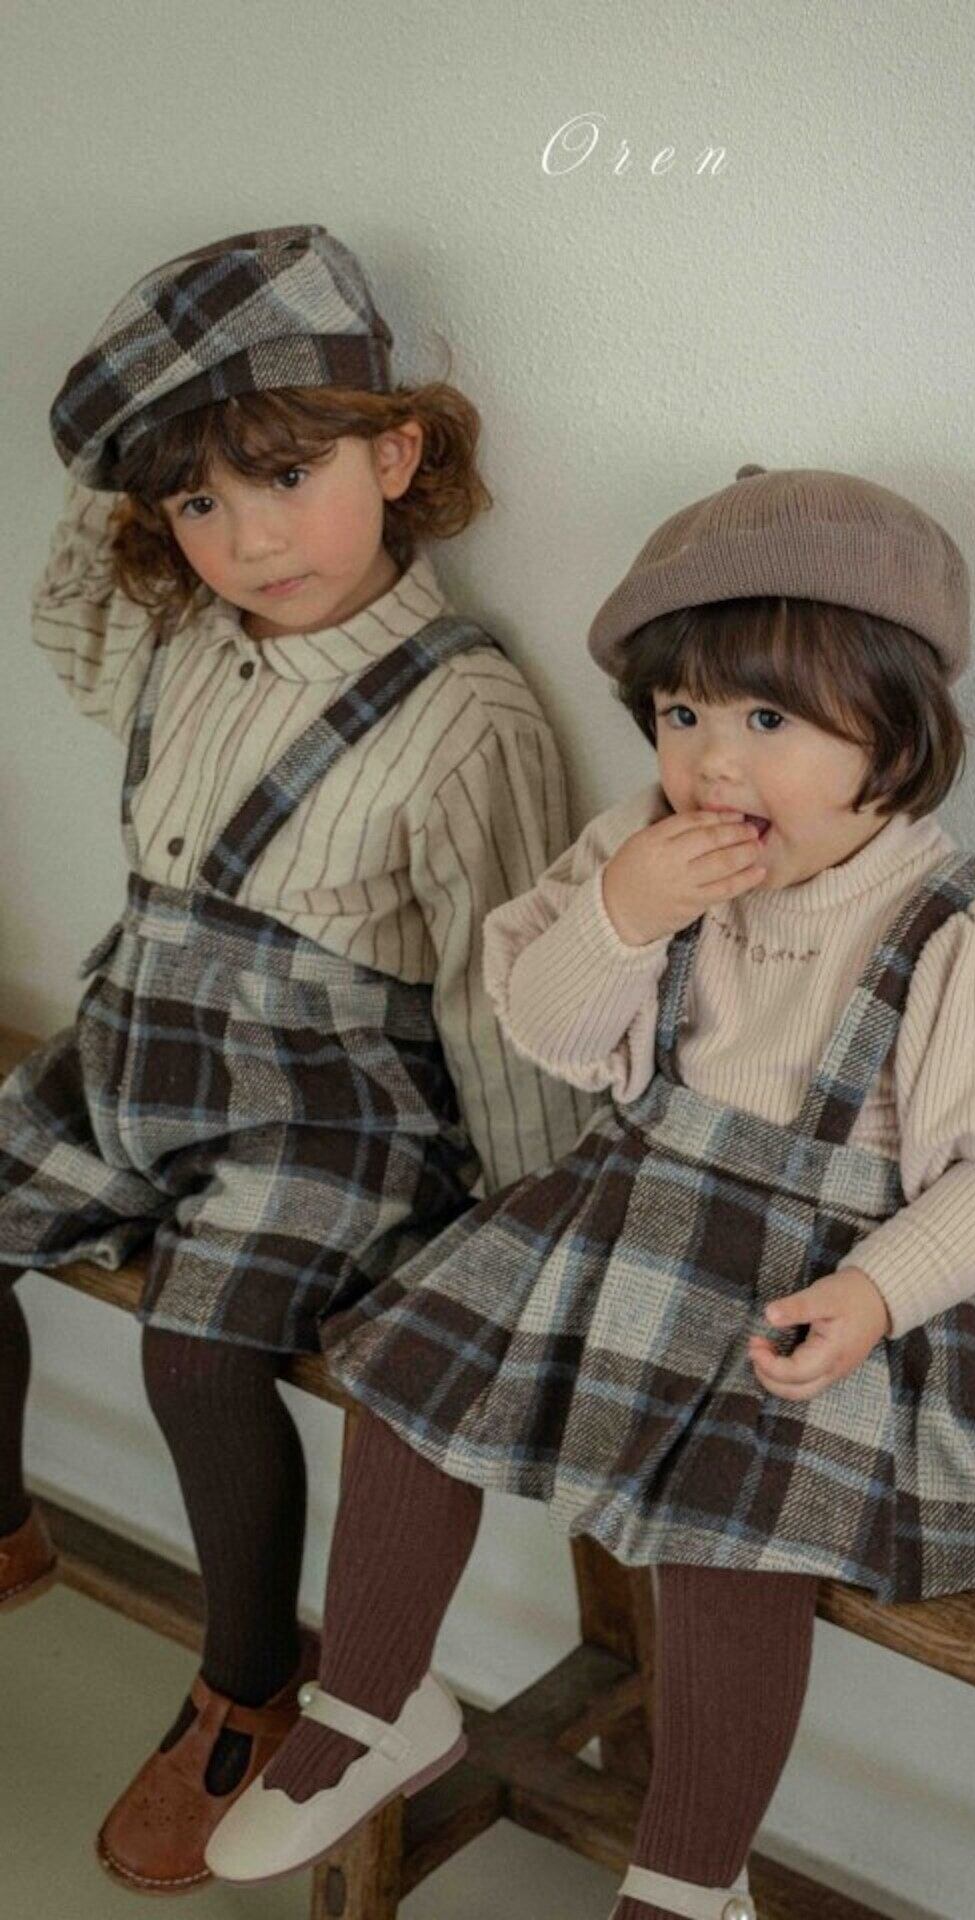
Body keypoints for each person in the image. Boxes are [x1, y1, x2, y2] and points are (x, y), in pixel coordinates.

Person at [205, 465, 975, 1920]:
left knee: (733, 1541)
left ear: (896, 728)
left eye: (768, 721)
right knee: (405, 1384)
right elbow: (551, 1032)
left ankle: (693, 1879)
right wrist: (622, 916)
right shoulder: (636, 855)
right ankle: (376, 1703)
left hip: (829, 1284)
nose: (711, 763)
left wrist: (878, 1291)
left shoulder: (971, 930)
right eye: (682, 713)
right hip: (627, 1221)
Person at [0, 223, 596, 1894]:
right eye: (196, 504)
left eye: (284, 476)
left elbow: (497, 987)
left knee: (199, 1356)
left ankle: (248, 1684)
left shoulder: (464, 714)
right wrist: (131, 466)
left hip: (328, 1110)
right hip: (140, 1050)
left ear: (396, 453)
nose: (249, 538)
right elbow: (69, 626)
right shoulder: (186, 639)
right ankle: (8, 1530)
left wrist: (533, 1218)